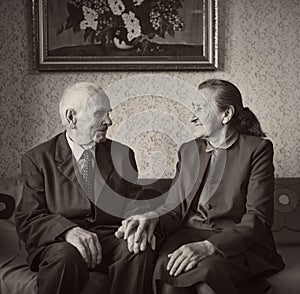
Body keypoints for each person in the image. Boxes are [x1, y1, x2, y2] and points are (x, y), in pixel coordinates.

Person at [116, 79, 285, 294]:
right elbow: (175, 209)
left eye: (200, 108)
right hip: (187, 236)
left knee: (209, 273)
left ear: (226, 114)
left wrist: (208, 247)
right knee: (168, 271)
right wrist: (153, 216)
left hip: (235, 242)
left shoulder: (257, 149)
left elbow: (257, 218)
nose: (192, 116)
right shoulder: (188, 151)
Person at [15, 82, 154, 294]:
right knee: (65, 256)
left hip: (109, 238)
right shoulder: (37, 159)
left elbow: (135, 203)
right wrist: (67, 231)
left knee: (137, 248)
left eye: (108, 114)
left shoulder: (122, 155)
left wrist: (137, 220)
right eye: (100, 114)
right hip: (59, 243)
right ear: (71, 118)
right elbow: (29, 218)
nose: (109, 121)